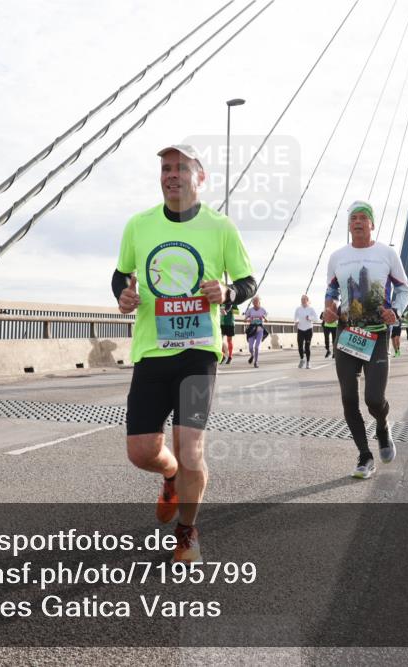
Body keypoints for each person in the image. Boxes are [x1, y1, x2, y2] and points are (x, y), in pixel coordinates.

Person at [113, 143, 255, 563]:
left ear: (200, 176)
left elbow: (246, 281)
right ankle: (170, 474)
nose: (171, 175)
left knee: (192, 448)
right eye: (165, 168)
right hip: (152, 352)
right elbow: (122, 273)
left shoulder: (221, 227)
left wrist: (228, 292)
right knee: (141, 452)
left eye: (180, 168)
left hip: (198, 353)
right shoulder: (138, 226)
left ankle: (187, 532)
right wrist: (122, 294)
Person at [325, 201, 408, 480]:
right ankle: (364, 455)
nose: (358, 222)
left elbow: (404, 289)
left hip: (376, 335)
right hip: (347, 333)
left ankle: (383, 426)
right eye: (353, 218)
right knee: (349, 398)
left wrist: (395, 311)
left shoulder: (386, 254)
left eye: (363, 218)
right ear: (349, 225)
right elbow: (332, 290)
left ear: (372, 224)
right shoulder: (337, 256)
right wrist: (329, 306)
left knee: (374, 399)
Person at [293, 294, 317, 369]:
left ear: (307, 300)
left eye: (304, 299)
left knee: (307, 347)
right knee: (300, 346)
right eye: (302, 299)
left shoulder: (311, 309)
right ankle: (302, 359)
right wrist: (296, 321)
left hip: (308, 330)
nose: (303, 301)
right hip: (300, 329)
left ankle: (308, 362)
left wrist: (309, 318)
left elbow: (316, 319)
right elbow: (295, 317)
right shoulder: (298, 309)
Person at [243, 296, 267, 368]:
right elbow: (244, 319)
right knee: (250, 347)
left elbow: (267, 319)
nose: (255, 303)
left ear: (259, 302)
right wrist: (248, 320)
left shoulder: (263, 310)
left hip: (259, 329)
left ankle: (256, 362)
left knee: (257, 347)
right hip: (252, 329)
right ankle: (252, 355)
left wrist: (264, 318)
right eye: (254, 302)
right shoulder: (250, 310)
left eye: (256, 302)